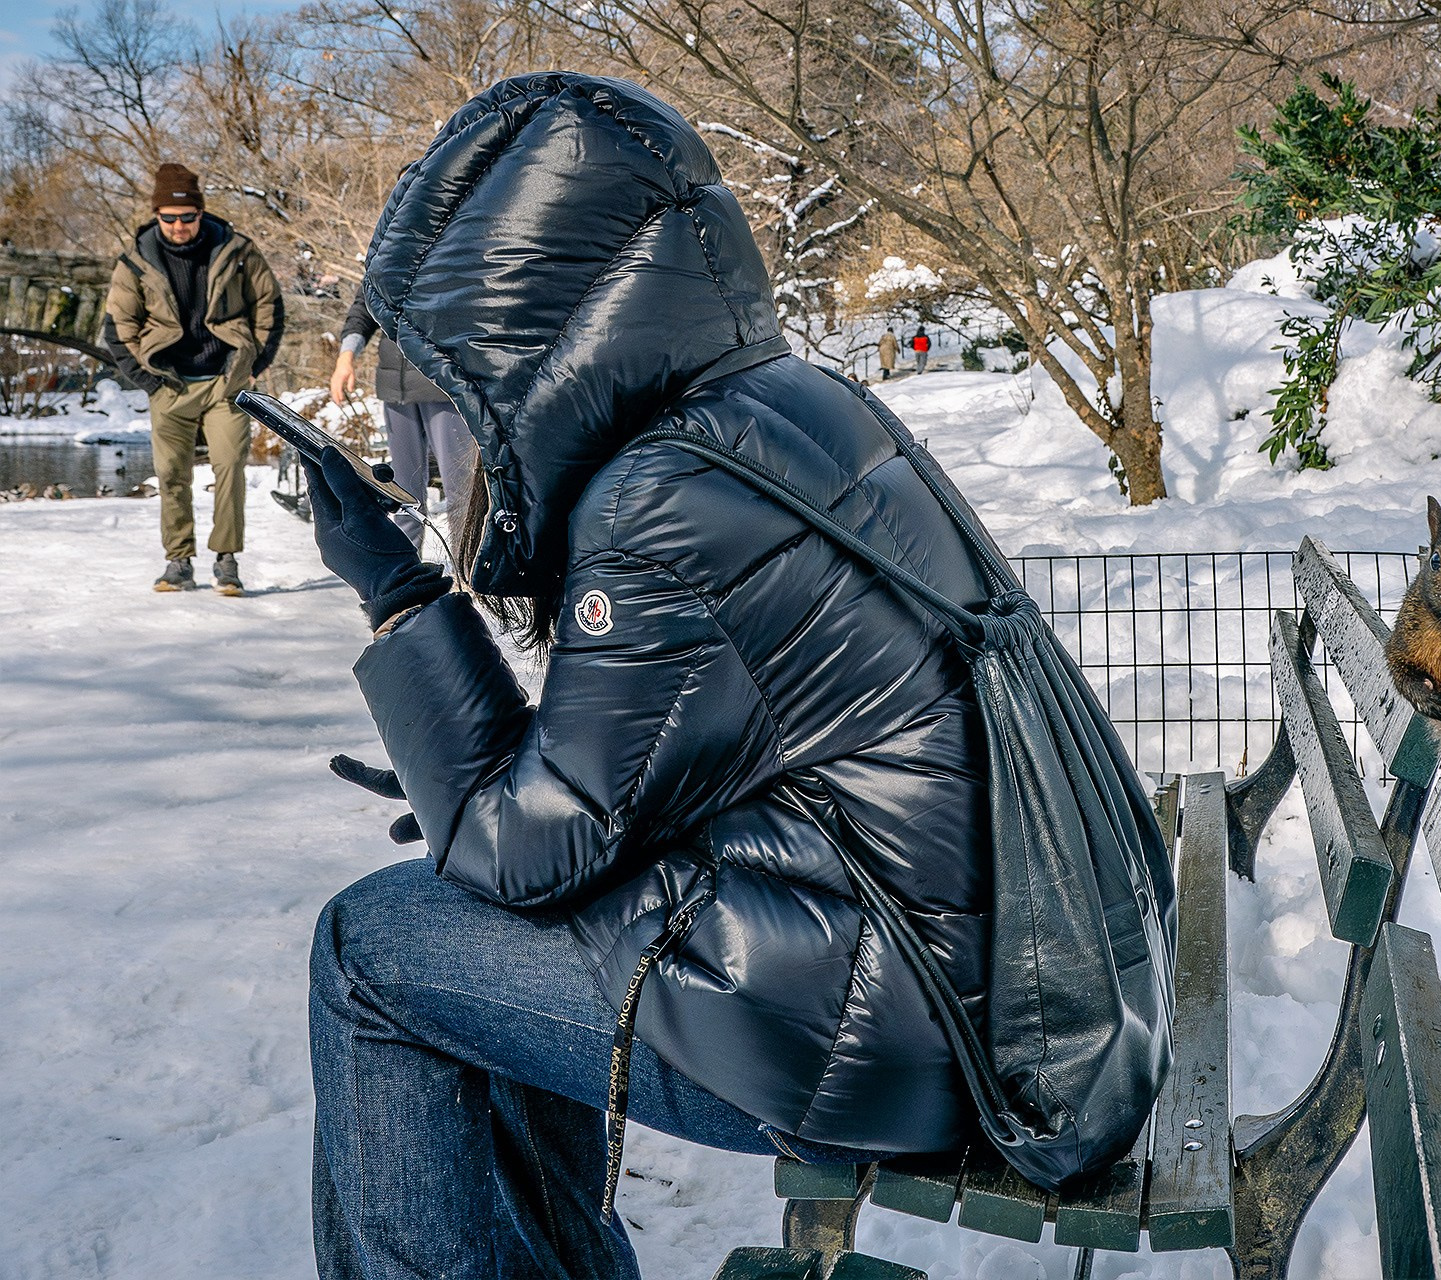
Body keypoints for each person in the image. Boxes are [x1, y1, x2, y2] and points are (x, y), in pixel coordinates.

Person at [302, 74, 999, 1278]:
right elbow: (643, 761)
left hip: (885, 1025)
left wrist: (400, 592)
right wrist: (482, 786)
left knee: (369, 947)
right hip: (941, 972)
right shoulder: (778, 414)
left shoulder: (663, 497)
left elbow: (530, 847)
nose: (467, 422)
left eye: (468, 376)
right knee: (463, 920)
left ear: (532, 336)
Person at [104, 163, 284, 596]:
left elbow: (270, 310)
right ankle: (178, 561)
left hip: (226, 381)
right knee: (171, 474)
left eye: (188, 217)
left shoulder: (238, 250)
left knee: (229, 467)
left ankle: (227, 561)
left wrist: (252, 367)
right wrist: (148, 382)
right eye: (169, 217)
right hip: (168, 382)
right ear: (157, 215)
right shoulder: (135, 260)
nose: (179, 226)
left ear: (201, 214)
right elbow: (117, 327)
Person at [330, 277, 475, 550]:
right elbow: (365, 304)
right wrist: (345, 357)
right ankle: (408, 575)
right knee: (403, 494)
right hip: (395, 389)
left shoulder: (449, 242)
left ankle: (470, 575)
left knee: (461, 491)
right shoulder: (388, 248)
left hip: (443, 385)